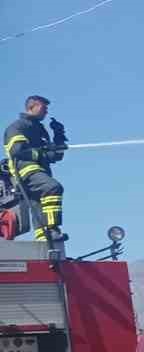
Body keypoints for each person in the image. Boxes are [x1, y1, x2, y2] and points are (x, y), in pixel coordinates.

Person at [3, 95, 68, 242]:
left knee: (39, 206)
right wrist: (41, 152)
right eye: (43, 108)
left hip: (40, 172)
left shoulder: (40, 130)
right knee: (52, 187)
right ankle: (52, 228)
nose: (46, 112)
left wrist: (59, 135)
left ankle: (44, 239)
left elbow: (56, 155)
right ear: (32, 107)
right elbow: (17, 151)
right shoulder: (18, 126)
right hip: (26, 171)